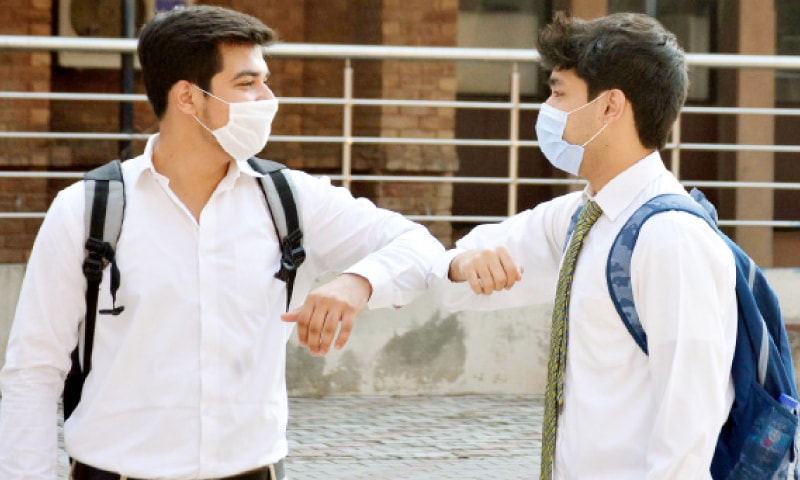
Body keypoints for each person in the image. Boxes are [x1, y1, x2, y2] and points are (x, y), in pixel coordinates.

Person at [0, 5, 443, 479]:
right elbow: (34, 371)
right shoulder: (86, 209)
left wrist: (358, 282)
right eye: (248, 83)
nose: (268, 97)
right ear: (189, 98)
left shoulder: (290, 199)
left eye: (265, 81)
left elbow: (421, 247)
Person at [428, 12, 737, 480]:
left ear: (610, 106)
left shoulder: (671, 237)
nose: (546, 110)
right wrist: (463, 263)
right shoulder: (581, 214)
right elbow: (457, 277)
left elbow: (690, 421)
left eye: (557, 93)